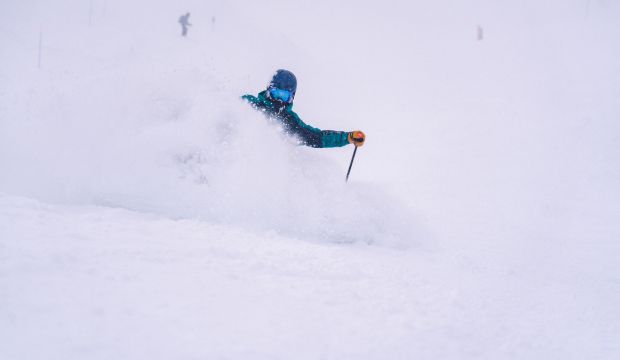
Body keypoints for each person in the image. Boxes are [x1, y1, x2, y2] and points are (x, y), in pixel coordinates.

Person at [242, 69, 365, 148]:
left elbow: (316, 137)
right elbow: (228, 108)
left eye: (284, 96)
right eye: (275, 93)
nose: (279, 100)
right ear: (268, 90)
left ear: (292, 97)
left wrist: (347, 137)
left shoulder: (289, 121)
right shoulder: (251, 103)